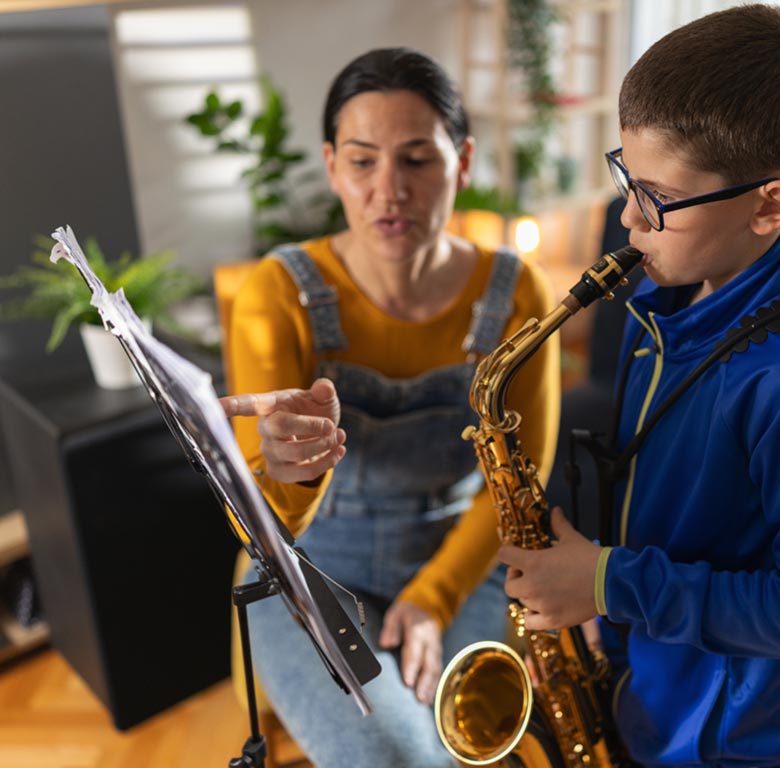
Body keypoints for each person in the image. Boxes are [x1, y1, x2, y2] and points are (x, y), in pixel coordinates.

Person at [497, 6, 780, 768]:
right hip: (644, 689)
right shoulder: (663, 303)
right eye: (627, 177)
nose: (627, 216)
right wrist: (597, 601)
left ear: (770, 205)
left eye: (656, 197)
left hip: (724, 746)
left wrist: (611, 583)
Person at [219, 47, 560, 767]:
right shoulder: (277, 295)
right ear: (331, 166)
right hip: (303, 574)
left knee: (477, 741)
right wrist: (288, 474)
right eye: (363, 161)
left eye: (417, 159)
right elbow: (255, 528)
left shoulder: (517, 295)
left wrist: (433, 598)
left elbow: (519, 483)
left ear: (463, 163)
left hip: (460, 560)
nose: (390, 191)